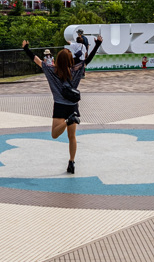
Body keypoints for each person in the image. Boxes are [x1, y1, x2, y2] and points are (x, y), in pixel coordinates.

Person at [22, 34, 103, 174]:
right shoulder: (76, 70)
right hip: (72, 106)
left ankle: (67, 122)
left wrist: (26, 48)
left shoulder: (51, 71)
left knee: (54, 134)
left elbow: (36, 60)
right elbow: (88, 60)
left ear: (58, 59)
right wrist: (97, 44)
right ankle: (71, 162)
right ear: (71, 60)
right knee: (72, 137)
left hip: (59, 106)